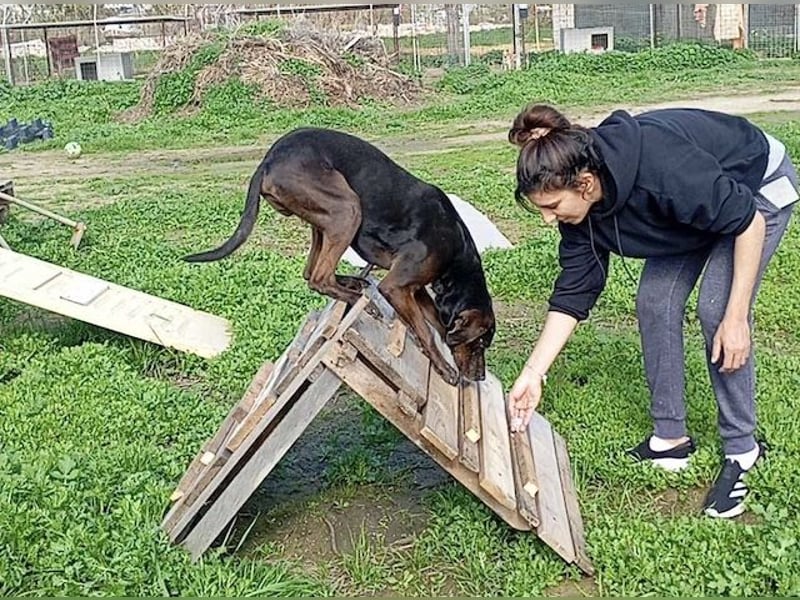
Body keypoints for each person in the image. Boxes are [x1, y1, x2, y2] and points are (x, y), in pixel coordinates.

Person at [506, 103, 798, 519]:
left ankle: (743, 449)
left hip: (755, 189)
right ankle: (671, 438)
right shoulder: (582, 213)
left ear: (585, 184)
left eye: (553, 206)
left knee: (716, 308)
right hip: (698, 210)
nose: (548, 220)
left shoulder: (663, 172)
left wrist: (736, 319)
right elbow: (574, 292)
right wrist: (533, 373)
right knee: (655, 301)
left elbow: (745, 221)